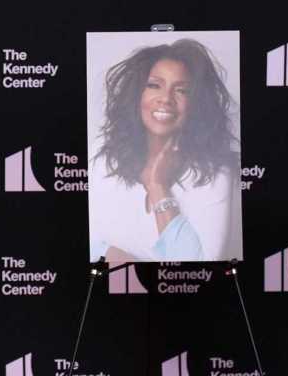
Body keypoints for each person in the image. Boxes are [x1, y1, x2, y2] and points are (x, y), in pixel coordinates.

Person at [88, 38, 242, 262]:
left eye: (181, 90)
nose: (166, 99)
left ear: (197, 103)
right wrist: (115, 256)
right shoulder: (104, 153)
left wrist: (158, 186)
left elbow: (200, 267)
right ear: (136, 94)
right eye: (154, 85)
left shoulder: (215, 171)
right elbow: (87, 243)